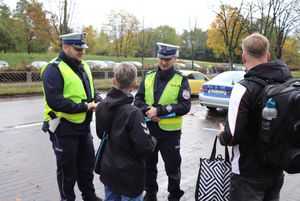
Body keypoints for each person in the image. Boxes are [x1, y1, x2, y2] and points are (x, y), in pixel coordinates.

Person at [217, 33, 291, 201]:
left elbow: (232, 137)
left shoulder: (243, 88)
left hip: (247, 173)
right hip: (276, 169)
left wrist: (222, 134)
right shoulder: (285, 84)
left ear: (243, 58)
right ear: (268, 56)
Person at [41, 32, 102, 201]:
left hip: (83, 128)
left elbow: (91, 90)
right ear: (65, 47)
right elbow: (56, 101)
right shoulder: (53, 69)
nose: (81, 51)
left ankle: (89, 196)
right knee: (67, 170)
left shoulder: (83, 65)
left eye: (82, 48)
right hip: (63, 128)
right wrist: (85, 107)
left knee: (86, 166)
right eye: (77, 48)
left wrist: (99, 100)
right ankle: (67, 199)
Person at [134, 42, 191, 201]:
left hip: (170, 134)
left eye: (167, 59)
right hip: (149, 130)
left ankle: (174, 195)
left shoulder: (181, 79)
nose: (163, 62)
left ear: (175, 58)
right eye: (161, 58)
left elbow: (185, 106)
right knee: (148, 166)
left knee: (173, 168)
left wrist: (159, 111)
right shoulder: (149, 76)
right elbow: (137, 100)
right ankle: (150, 194)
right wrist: (148, 112)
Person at [95, 62, 156, 201]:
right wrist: (152, 140)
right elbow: (144, 147)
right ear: (134, 83)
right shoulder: (133, 112)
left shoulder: (101, 106)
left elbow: (100, 134)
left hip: (108, 169)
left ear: (113, 81)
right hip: (130, 175)